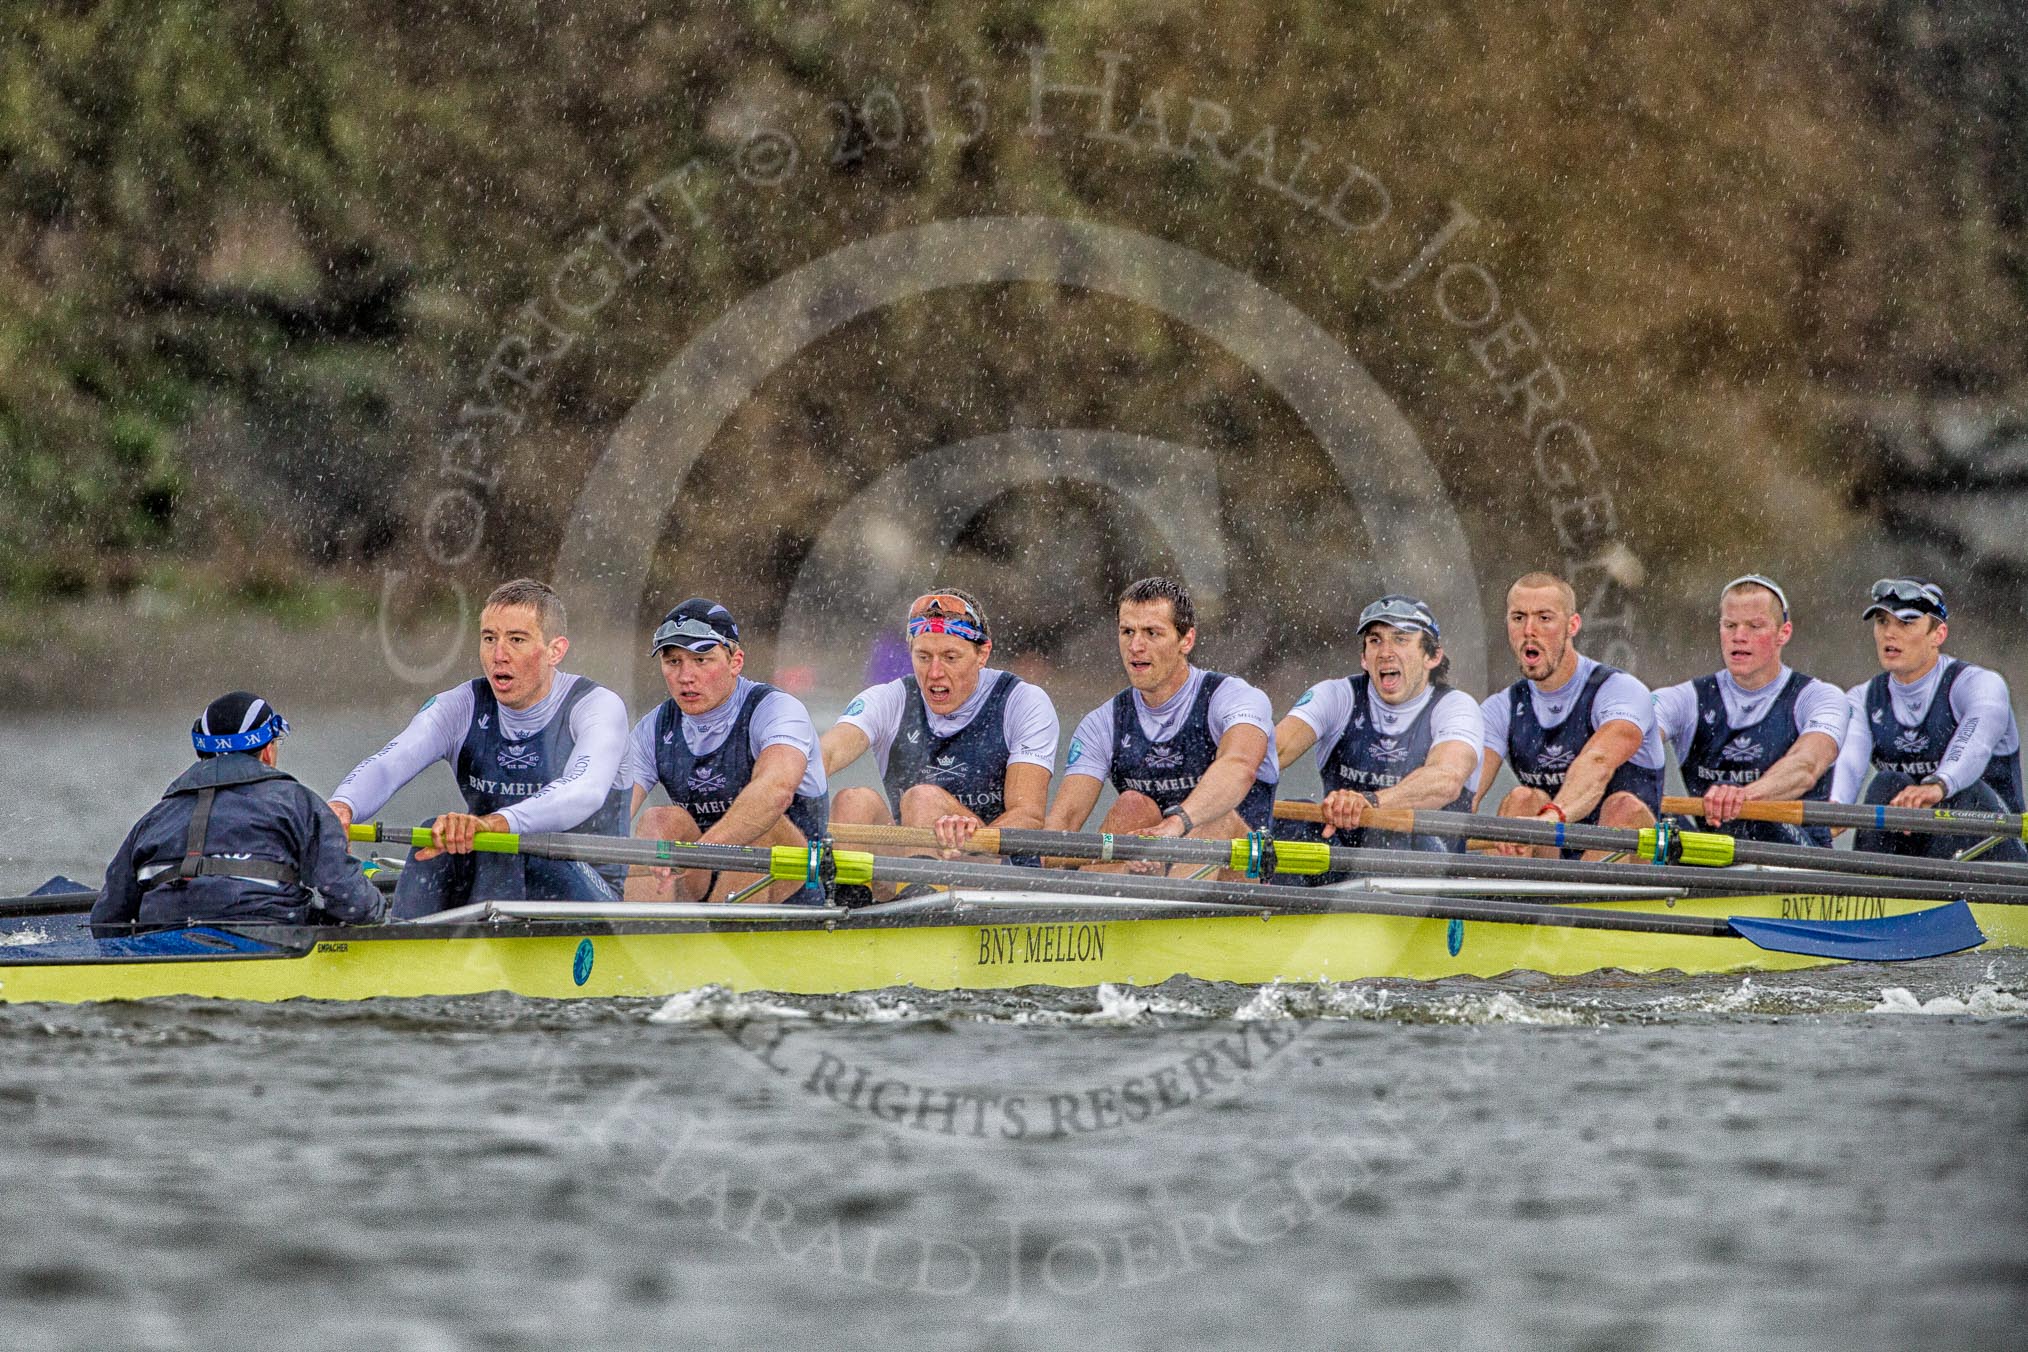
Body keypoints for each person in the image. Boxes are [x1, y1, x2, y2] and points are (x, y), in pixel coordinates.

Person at [329, 578, 631, 916]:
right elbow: (389, 764)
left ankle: (480, 939)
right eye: (489, 639)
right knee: (434, 836)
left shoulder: (597, 706)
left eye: (516, 640)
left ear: (555, 651)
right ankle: (406, 936)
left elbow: (584, 790)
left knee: (504, 844)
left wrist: (492, 824)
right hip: (498, 875)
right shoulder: (460, 706)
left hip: (590, 892)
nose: (499, 655)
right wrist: (343, 806)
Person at [91, 692, 386, 937]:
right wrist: (380, 906)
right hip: (269, 945)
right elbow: (355, 905)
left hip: (163, 946)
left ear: (202, 753)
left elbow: (106, 922)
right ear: (267, 751)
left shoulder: (154, 820)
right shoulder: (299, 804)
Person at [1047, 577, 1277, 871]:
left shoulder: (1235, 698)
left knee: (1215, 816)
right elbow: (1058, 833)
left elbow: (1240, 767)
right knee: (1132, 805)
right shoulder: (1102, 723)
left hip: (1242, 878)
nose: (1136, 646)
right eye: (1127, 632)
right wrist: (1037, 857)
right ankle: (1108, 895)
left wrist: (1176, 824)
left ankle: (1164, 891)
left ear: (1186, 640)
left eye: (1152, 633)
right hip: (1156, 874)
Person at [822, 588, 1059, 859]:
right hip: (919, 857)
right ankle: (859, 887)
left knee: (923, 799)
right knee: (852, 801)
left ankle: (923, 881)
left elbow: (1028, 816)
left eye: (950, 657)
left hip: (994, 862)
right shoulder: (889, 699)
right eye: (923, 657)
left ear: (982, 654)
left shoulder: (1022, 701)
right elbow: (827, 754)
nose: (934, 673)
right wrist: (784, 783)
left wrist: (969, 840)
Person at [621, 598, 828, 902]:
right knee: (658, 821)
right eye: (673, 661)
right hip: (701, 879)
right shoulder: (652, 728)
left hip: (795, 884)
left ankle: (715, 927)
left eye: (701, 660)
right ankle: (640, 926)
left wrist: (699, 854)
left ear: (735, 662)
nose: (685, 676)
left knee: (763, 823)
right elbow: (609, 815)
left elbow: (775, 791)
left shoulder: (777, 709)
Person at [1275, 594, 1483, 859]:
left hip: (1427, 867)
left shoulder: (1456, 706)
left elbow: (1446, 780)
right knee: (1291, 825)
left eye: (1400, 639)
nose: (1385, 653)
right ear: (1364, 658)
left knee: (1390, 829)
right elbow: (1272, 754)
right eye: (1375, 641)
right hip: (1342, 861)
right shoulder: (1336, 696)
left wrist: (1370, 802)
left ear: (1432, 656)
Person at [1831, 577, 2025, 861]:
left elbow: (1976, 743)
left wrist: (1938, 785)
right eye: (1882, 622)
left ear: (1938, 634)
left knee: (1960, 793)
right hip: (1918, 854)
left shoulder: (1980, 685)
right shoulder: (1861, 699)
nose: (1889, 634)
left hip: (1995, 852)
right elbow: (1847, 765)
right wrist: (1834, 807)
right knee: (1886, 783)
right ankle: (1874, 882)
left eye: (1906, 623)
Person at [1477, 571, 1665, 858]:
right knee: (1522, 800)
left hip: (1627, 858)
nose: (1529, 630)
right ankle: (1510, 884)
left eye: (1544, 618)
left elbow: (1598, 762)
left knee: (1622, 807)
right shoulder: (1500, 708)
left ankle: (1580, 885)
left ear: (1572, 625)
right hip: (1552, 856)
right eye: (1518, 618)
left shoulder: (1620, 690)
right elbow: (1465, 787)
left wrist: (1552, 817)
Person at [1653, 574, 1848, 847]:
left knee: (1756, 813)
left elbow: (1806, 765)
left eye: (1755, 626)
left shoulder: (1818, 696)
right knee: (1635, 807)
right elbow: (1631, 736)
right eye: (1730, 625)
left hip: (1797, 854)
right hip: (1715, 851)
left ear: (1784, 633)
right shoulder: (1686, 698)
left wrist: (1743, 797)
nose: (1739, 637)